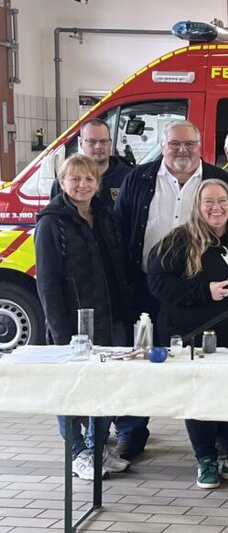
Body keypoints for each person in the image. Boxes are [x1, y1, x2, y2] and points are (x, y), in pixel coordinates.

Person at [146, 179, 228, 489]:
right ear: (197, 206)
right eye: (209, 202)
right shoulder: (177, 242)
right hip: (194, 338)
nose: (216, 207)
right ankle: (205, 460)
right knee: (199, 398)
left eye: (223, 201)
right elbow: (159, 285)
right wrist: (204, 291)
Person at [113, 120, 223, 460]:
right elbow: (120, 229)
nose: (182, 150)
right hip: (145, 287)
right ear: (163, 145)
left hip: (199, 292)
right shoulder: (139, 178)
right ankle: (131, 432)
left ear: (200, 144)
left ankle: (214, 436)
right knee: (139, 360)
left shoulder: (218, 180)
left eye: (189, 144)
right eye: (175, 144)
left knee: (203, 363)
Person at [36, 155, 133, 480]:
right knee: (72, 390)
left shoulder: (105, 215)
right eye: (74, 179)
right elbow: (48, 283)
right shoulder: (52, 222)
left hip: (111, 319)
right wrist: (60, 333)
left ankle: (98, 446)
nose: (82, 185)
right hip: (74, 326)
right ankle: (77, 451)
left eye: (88, 179)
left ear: (98, 183)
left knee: (106, 387)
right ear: (62, 183)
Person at [50, 119, 131, 207]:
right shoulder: (64, 181)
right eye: (92, 141)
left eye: (103, 141)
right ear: (81, 143)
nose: (98, 146)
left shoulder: (130, 177)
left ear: (110, 143)